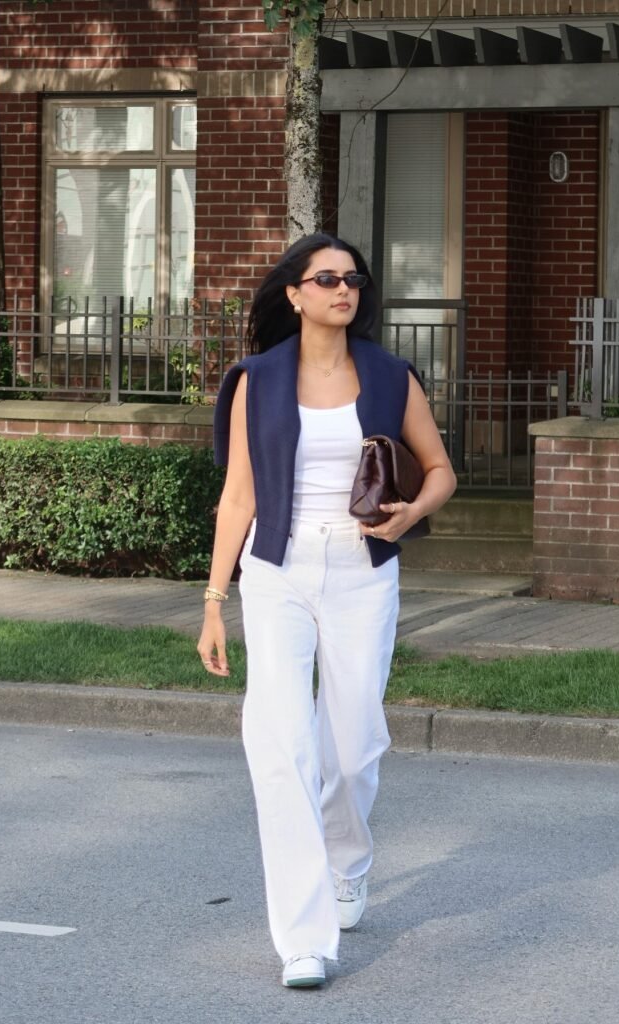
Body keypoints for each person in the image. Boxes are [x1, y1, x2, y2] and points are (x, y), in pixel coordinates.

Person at [197, 233, 456, 988]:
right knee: (280, 747)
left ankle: (347, 861)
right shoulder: (258, 380)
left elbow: (438, 470)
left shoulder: (386, 374)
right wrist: (215, 601)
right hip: (276, 569)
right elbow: (237, 497)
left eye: (353, 279)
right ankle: (303, 939)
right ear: (295, 294)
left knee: (351, 745)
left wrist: (408, 516)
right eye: (326, 278)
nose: (343, 290)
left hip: (361, 571)